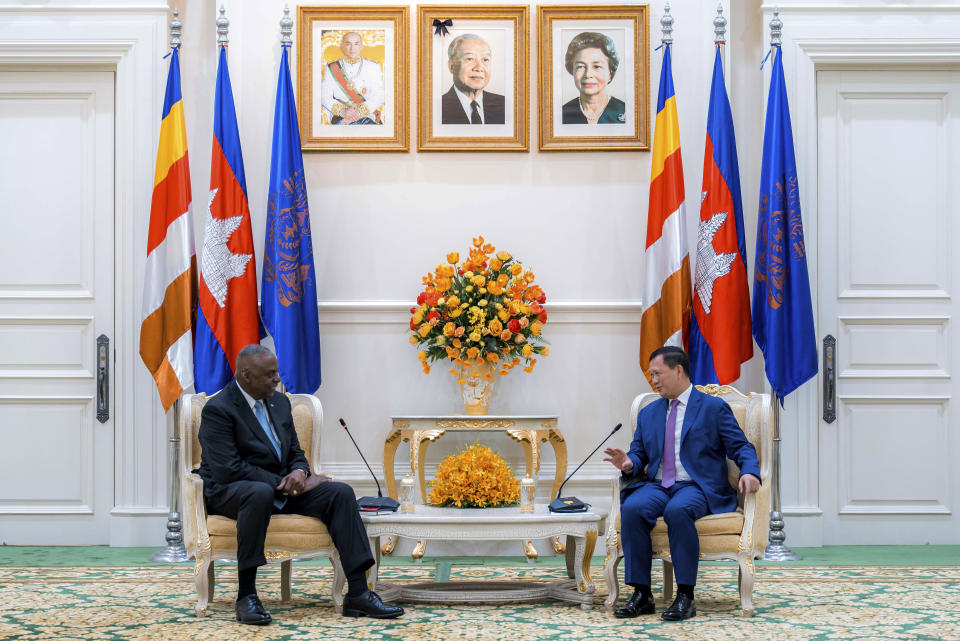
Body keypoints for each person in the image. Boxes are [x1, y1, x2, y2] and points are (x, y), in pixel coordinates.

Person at [198, 344, 403, 624]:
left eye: (277, 372)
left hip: (280, 487)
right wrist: (285, 483)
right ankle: (246, 596)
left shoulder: (279, 402)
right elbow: (228, 469)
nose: (277, 379)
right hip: (233, 490)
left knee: (340, 493)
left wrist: (299, 472)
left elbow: (296, 451)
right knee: (258, 493)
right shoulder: (218, 409)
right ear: (246, 375)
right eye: (270, 374)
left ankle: (358, 593)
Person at [603, 346, 760, 621]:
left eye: (658, 373)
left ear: (678, 370)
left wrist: (750, 472)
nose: (654, 380)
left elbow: (741, 447)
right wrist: (628, 463)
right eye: (651, 375)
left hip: (697, 486)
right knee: (633, 508)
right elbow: (639, 453)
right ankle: (642, 594)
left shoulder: (712, 408)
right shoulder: (649, 413)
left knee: (678, 510)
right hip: (657, 485)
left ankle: (685, 595)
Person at [319, 31, 385, 125]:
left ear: (361, 46)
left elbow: (380, 95)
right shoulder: (331, 68)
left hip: (367, 116)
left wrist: (359, 112)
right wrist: (343, 111)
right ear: (342, 46)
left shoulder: (373, 66)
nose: (352, 48)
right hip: (340, 117)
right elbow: (323, 96)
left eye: (356, 44)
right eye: (348, 44)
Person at [561, 32, 626, 125]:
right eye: (580, 66)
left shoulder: (626, 112)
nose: (588, 74)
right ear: (572, 70)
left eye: (597, 66)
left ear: (610, 73)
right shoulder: (562, 115)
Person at [441, 34, 505, 125]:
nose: (479, 68)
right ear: (452, 66)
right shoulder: (437, 108)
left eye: (485, 60)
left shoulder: (504, 105)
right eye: (470, 59)